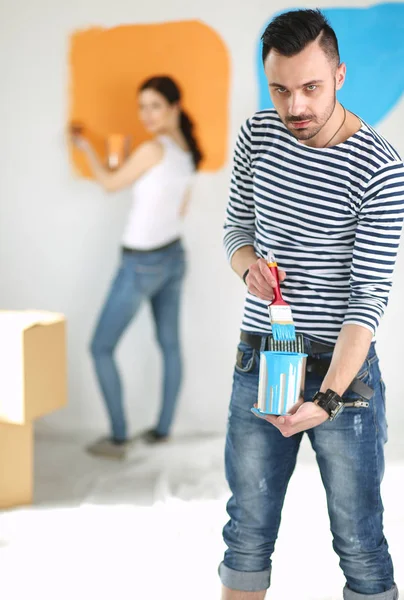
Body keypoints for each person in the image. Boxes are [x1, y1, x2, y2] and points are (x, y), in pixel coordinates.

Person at [220, 9, 404, 600]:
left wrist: (328, 398)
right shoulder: (258, 132)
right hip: (263, 357)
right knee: (246, 531)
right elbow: (235, 228)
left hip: (341, 373)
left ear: (341, 75)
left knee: (359, 542)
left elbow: (365, 304)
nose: (294, 106)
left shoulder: (379, 166)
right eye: (279, 89)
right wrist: (248, 265)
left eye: (310, 88)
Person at [71, 75, 203, 459]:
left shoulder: (153, 150)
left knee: (99, 347)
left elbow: (110, 183)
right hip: (174, 256)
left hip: (141, 262)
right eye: (141, 106)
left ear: (174, 108)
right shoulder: (187, 150)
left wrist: (85, 148)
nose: (146, 114)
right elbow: (181, 208)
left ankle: (117, 439)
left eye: (154, 106)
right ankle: (162, 431)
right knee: (170, 346)